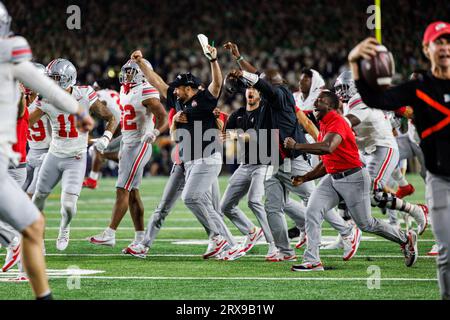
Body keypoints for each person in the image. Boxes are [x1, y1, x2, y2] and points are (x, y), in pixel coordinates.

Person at [226, 42, 356, 262]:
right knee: (273, 207)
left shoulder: (280, 95)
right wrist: (239, 59)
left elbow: (262, 83)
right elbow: (259, 78)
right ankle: (285, 252)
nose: (260, 86)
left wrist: (248, 76)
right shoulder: (269, 94)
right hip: (272, 161)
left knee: (312, 198)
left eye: (264, 82)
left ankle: (347, 233)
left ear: (276, 84)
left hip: (292, 159)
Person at [347, 21, 450, 299]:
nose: (445, 47)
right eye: (438, 42)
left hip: (395, 151)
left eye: (448, 41)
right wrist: (355, 63)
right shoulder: (419, 87)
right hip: (440, 180)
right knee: (446, 254)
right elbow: (377, 99)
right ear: (426, 49)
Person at [0, 1, 94, 299]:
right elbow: (46, 88)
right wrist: (78, 111)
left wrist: (75, 110)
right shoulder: (11, 53)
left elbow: (45, 90)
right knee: (32, 224)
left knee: (33, 223)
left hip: (15, 158)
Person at [285, 90, 418, 271]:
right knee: (312, 211)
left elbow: (328, 147)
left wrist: (297, 146)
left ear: (331, 106)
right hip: (333, 178)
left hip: (353, 178)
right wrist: (305, 177)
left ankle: (404, 238)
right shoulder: (324, 123)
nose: (315, 104)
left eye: (320, 101)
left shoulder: (337, 121)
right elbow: (327, 163)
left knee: (366, 224)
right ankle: (312, 260)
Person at [126, 43, 235, 259]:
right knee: (165, 206)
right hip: (184, 161)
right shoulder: (178, 99)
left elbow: (217, 83)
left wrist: (213, 61)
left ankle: (225, 242)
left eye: (179, 87)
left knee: (203, 203)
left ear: (189, 88)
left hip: (205, 159)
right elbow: (157, 82)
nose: (174, 90)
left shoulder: (204, 99)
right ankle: (144, 245)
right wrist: (140, 63)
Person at [30, 58, 117, 251]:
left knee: (68, 206)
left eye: (55, 78)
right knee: (36, 200)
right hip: (53, 155)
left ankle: (64, 227)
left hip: (76, 157)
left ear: (68, 79)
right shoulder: (44, 97)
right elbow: (26, 123)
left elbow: (111, 117)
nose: (50, 82)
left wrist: (106, 137)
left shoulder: (84, 94)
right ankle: (38, 240)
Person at [333, 71, 427, 233]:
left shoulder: (360, 98)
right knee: (344, 184)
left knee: (372, 195)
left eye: (344, 88)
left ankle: (415, 210)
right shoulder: (352, 102)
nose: (340, 92)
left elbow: (348, 123)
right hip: (368, 150)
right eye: (339, 88)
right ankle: (347, 234)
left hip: (383, 146)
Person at [89, 59, 167, 254]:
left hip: (141, 143)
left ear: (142, 73)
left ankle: (110, 233)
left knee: (122, 187)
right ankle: (140, 239)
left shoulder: (146, 90)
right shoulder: (125, 90)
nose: (128, 75)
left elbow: (164, 116)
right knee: (132, 192)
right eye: (127, 72)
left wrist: (155, 132)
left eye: (132, 72)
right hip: (127, 141)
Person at [219, 86, 277, 260]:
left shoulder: (265, 112)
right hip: (245, 165)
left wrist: (236, 135)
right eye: (248, 89)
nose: (250, 92)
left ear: (260, 93)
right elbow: (225, 134)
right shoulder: (237, 114)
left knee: (254, 201)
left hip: (264, 164)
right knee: (225, 206)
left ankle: (275, 245)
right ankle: (251, 231)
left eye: (254, 89)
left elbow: (258, 135)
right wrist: (217, 117)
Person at [83, 83, 122, 189]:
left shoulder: (98, 95)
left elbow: (102, 107)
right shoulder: (111, 92)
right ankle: (127, 161)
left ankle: (92, 180)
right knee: (99, 149)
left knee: (97, 149)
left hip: (120, 125)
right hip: (126, 124)